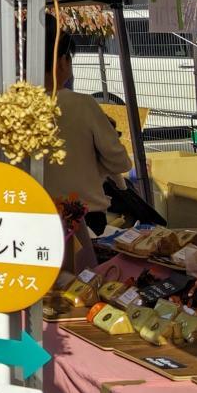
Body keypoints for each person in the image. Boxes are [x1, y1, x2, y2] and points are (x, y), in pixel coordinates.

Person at [36, 16, 135, 271]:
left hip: (30, 219)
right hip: (79, 221)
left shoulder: (12, 108)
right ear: (61, 61)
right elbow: (119, 161)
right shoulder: (82, 104)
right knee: (77, 294)